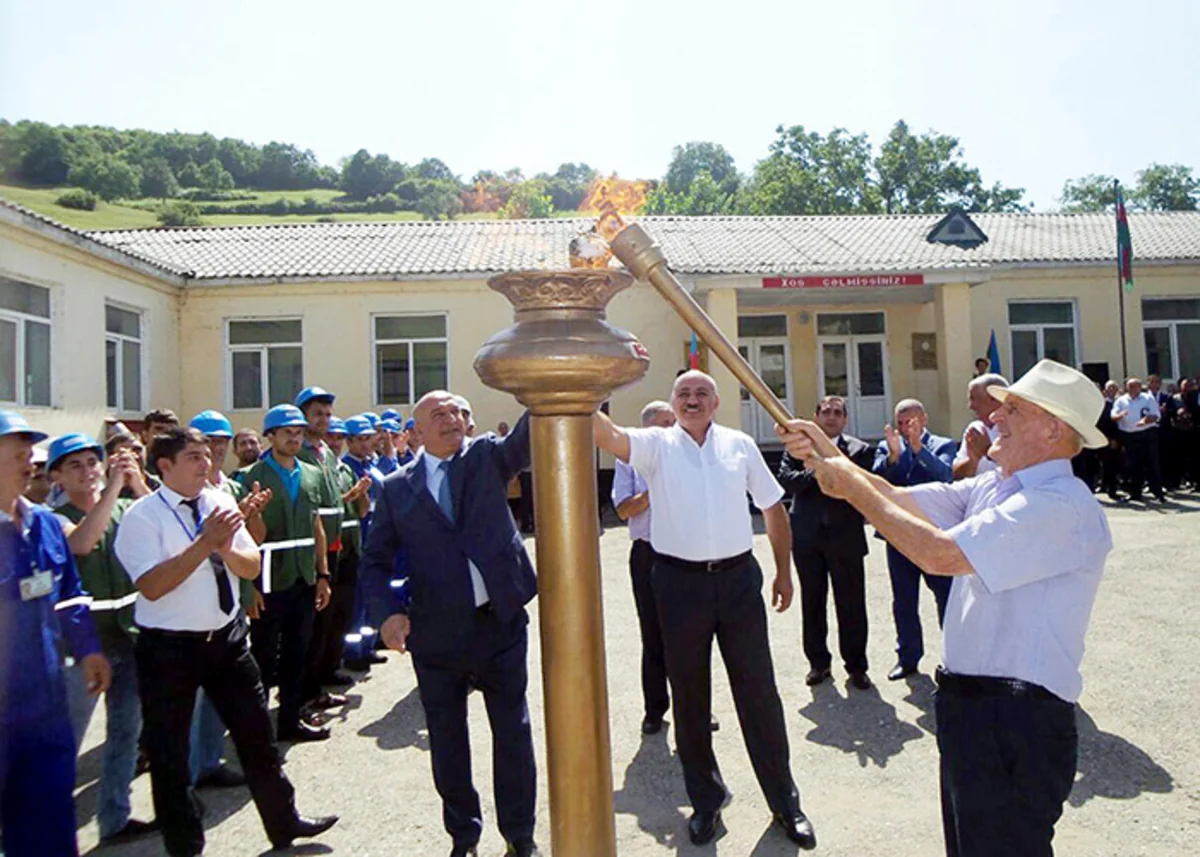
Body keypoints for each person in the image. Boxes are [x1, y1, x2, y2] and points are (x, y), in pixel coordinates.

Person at [777, 359, 1112, 857]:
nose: (994, 417)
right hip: (971, 708)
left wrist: (848, 486)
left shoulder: (1060, 505)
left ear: (1053, 429)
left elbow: (940, 555)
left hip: (1018, 720)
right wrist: (823, 448)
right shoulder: (995, 484)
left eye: (1013, 409)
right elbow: (896, 497)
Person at [593, 371, 816, 849]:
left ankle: (785, 802)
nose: (692, 400)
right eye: (684, 394)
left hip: (738, 583)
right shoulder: (655, 445)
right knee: (690, 698)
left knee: (759, 693)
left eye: (701, 394)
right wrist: (590, 381)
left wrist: (783, 571)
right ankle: (706, 803)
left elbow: (773, 509)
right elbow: (604, 434)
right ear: (673, 402)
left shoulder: (740, 445)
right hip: (679, 585)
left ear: (716, 403)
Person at [113, 426, 337, 856]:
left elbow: (250, 565)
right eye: (194, 457)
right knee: (169, 754)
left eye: (206, 456)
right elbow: (153, 586)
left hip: (226, 641)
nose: (206, 464)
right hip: (169, 648)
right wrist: (205, 544)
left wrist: (224, 549)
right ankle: (185, 845)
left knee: (258, 737)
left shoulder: (218, 502)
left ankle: (284, 822)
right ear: (164, 466)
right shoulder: (142, 517)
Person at [361, 391, 540, 857]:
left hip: (498, 626)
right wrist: (387, 613)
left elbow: (525, 439)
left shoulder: (485, 458)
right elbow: (374, 561)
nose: (452, 419)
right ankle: (464, 836)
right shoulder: (395, 488)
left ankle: (519, 834)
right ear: (415, 432)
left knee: (513, 733)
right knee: (448, 741)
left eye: (458, 412)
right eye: (438, 414)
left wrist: (541, 382)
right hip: (436, 635)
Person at [1, 411, 111, 857]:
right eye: (17, 455)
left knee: (49, 815)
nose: (30, 464)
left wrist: (88, 649)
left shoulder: (43, 523)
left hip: (45, 702)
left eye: (30, 454)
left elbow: (69, 593)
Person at [48, 433, 156, 844]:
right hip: (81, 646)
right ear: (56, 476)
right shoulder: (52, 517)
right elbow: (82, 541)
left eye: (93, 462)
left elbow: (164, 523)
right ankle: (45, 827)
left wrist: (136, 481)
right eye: (74, 465)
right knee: (65, 741)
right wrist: (113, 487)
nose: (88, 471)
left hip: (127, 637)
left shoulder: (125, 508)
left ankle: (114, 817)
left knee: (126, 732)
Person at [240, 404, 336, 742]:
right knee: (263, 656)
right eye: (287, 433)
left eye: (298, 433)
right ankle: (257, 729)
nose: (294, 439)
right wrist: (249, 586)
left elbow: (316, 526)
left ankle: (290, 720)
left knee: (298, 652)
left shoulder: (310, 473)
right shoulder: (250, 476)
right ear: (271, 436)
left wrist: (323, 575)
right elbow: (245, 538)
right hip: (267, 579)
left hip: (303, 578)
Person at [777, 395, 874, 690]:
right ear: (815, 418)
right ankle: (818, 664)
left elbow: (858, 485)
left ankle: (857, 667)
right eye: (826, 412)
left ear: (845, 419)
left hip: (846, 539)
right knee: (812, 602)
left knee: (852, 605)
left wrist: (824, 470)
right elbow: (788, 480)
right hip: (808, 539)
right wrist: (816, 470)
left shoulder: (859, 450)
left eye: (837, 413)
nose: (831, 417)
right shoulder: (797, 448)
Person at [873, 398, 957, 681]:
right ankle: (908, 658)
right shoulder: (887, 446)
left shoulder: (943, 445)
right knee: (904, 600)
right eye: (900, 422)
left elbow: (945, 475)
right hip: (900, 536)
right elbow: (878, 481)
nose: (905, 428)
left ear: (924, 419)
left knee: (946, 598)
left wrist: (920, 449)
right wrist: (894, 457)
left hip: (935, 536)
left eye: (911, 422)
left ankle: (955, 659)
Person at [611, 400, 676, 734]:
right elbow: (623, 510)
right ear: (648, 428)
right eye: (666, 423)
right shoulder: (628, 460)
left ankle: (695, 708)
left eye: (673, 423)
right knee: (653, 634)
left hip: (684, 553)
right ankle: (655, 709)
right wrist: (654, 490)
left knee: (691, 635)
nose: (672, 429)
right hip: (648, 554)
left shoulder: (686, 456)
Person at [340, 415, 388, 671]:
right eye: (359, 439)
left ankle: (368, 646)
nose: (365, 444)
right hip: (359, 541)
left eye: (368, 438)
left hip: (377, 541)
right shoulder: (346, 468)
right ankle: (352, 652)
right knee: (357, 601)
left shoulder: (374, 465)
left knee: (372, 598)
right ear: (349, 442)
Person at [1112, 377, 1165, 502]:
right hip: (1129, 435)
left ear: (1140, 387)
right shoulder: (1121, 400)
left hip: (1146, 434)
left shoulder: (1148, 399)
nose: (1132, 389)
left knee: (1152, 464)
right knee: (1132, 465)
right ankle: (1135, 493)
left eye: (1135, 386)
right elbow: (1113, 414)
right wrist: (1119, 416)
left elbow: (1156, 415)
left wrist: (1146, 420)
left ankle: (1158, 493)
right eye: (1130, 386)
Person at [952, 374, 1008, 480]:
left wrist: (987, 450)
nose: (971, 406)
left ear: (994, 398)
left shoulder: (1019, 427)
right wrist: (972, 461)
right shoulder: (975, 429)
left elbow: (1025, 470)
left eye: (974, 399)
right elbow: (956, 476)